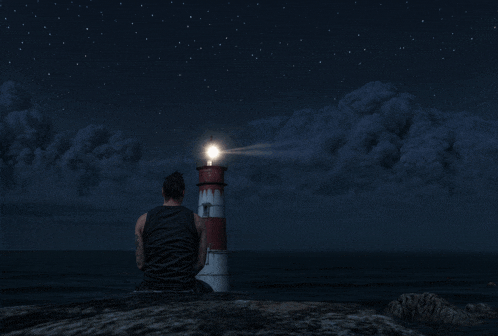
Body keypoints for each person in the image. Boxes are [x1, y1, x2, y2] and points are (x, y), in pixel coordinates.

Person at [134, 171, 213, 293]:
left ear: (163, 192)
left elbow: (140, 264)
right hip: (185, 286)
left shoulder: (142, 221)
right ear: (183, 193)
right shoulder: (198, 221)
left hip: (152, 286)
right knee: (208, 290)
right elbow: (201, 263)